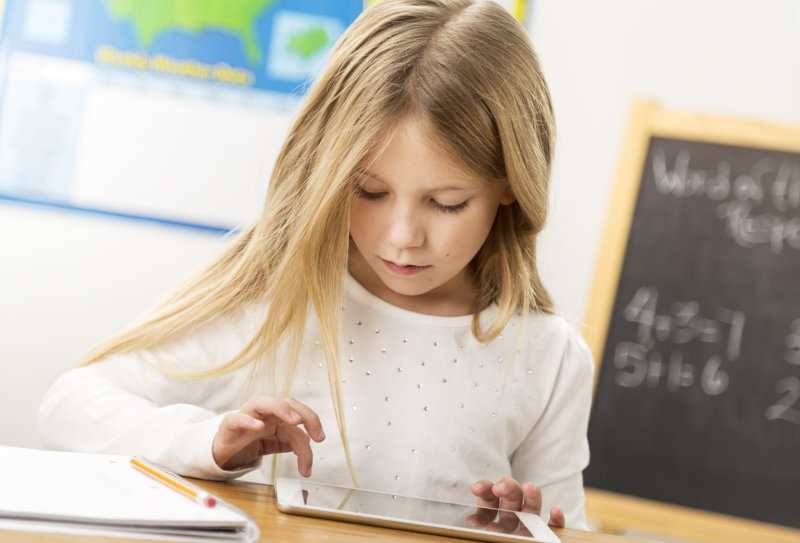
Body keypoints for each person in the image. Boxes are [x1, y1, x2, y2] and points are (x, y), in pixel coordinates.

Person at [38, 0, 594, 531]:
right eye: (369, 191)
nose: (402, 238)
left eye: (446, 203)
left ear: (511, 188)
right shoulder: (281, 300)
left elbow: (563, 522)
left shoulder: (551, 358)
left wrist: (532, 527)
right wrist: (207, 442)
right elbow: (71, 405)